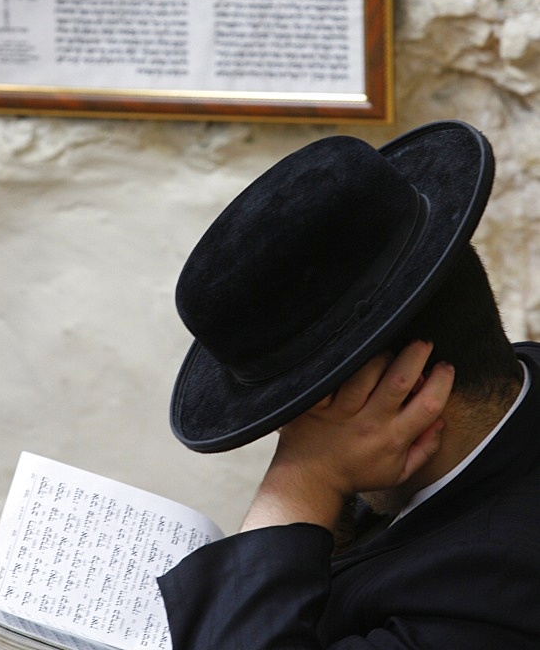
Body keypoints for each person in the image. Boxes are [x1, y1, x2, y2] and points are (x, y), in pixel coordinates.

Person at [157, 120, 540, 648]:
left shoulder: (495, 589)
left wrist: (305, 476)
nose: (287, 434)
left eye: (291, 410)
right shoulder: (519, 384)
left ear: (397, 390)